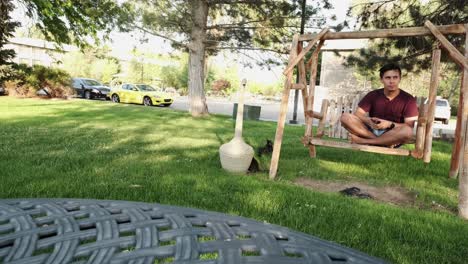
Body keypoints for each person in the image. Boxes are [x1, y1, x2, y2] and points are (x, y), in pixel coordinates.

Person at [340, 63, 418, 147]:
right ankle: (383, 143)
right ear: (381, 79)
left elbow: (409, 125)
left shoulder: (408, 99)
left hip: (393, 134)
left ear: (400, 79)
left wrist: (389, 124)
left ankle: (364, 141)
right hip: (370, 130)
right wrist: (368, 121)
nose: (391, 81)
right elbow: (358, 113)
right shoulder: (373, 95)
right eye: (388, 78)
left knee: (407, 131)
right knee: (345, 117)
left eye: (395, 77)